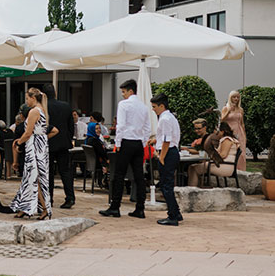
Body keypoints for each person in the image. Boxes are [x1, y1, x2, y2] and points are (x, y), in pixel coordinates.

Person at [100, 79, 150, 219]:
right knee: (139, 176)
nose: (122, 94)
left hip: (126, 142)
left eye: (123, 91)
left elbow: (120, 126)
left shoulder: (123, 105)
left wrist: (118, 144)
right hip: (139, 144)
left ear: (130, 91)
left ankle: (115, 207)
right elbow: (147, 128)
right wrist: (144, 142)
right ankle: (140, 208)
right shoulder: (144, 106)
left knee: (118, 175)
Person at [11, 88, 54, 220]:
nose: (26, 101)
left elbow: (28, 132)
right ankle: (26, 207)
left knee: (33, 177)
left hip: (34, 146)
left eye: (27, 98)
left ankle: (43, 208)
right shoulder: (42, 110)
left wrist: (19, 143)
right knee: (33, 177)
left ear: (33, 98)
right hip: (41, 146)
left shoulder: (34, 111)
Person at [148, 93, 183, 226]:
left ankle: (172, 216)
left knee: (166, 186)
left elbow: (167, 140)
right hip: (170, 152)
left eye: (154, 106)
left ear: (162, 106)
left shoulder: (164, 119)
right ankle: (176, 212)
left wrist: (161, 157)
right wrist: (155, 140)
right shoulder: (169, 117)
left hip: (168, 153)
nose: (153, 109)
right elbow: (165, 136)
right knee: (166, 185)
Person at [41, 83, 75, 209]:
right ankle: (70, 198)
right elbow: (71, 126)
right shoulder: (66, 106)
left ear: (43, 94)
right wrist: (68, 138)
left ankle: (48, 198)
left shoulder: (43, 107)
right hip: (63, 144)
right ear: (55, 93)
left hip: (48, 143)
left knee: (48, 172)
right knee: (65, 172)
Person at [188, 122, 240, 187]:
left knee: (194, 168)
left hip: (225, 167)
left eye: (216, 131)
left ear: (222, 131)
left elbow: (223, 155)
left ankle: (192, 190)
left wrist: (211, 155)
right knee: (192, 167)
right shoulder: (224, 139)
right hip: (222, 164)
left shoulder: (227, 140)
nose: (214, 132)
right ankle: (196, 188)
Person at [221, 91, 247, 171]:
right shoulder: (225, 108)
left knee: (241, 152)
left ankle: (241, 170)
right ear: (230, 98)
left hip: (239, 132)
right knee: (231, 150)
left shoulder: (240, 109)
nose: (236, 99)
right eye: (234, 97)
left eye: (238, 97)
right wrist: (228, 111)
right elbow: (222, 120)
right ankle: (230, 169)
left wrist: (244, 135)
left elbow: (242, 123)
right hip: (229, 131)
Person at [84, 114, 108, 181]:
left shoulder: (89, 139)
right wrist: (107, 159)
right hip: (98, 163)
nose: (99, 130)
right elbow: (102, 152)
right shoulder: (94, 141)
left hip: (91, 163)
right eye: (96, 129)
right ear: (91, 129)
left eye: (99, 128)